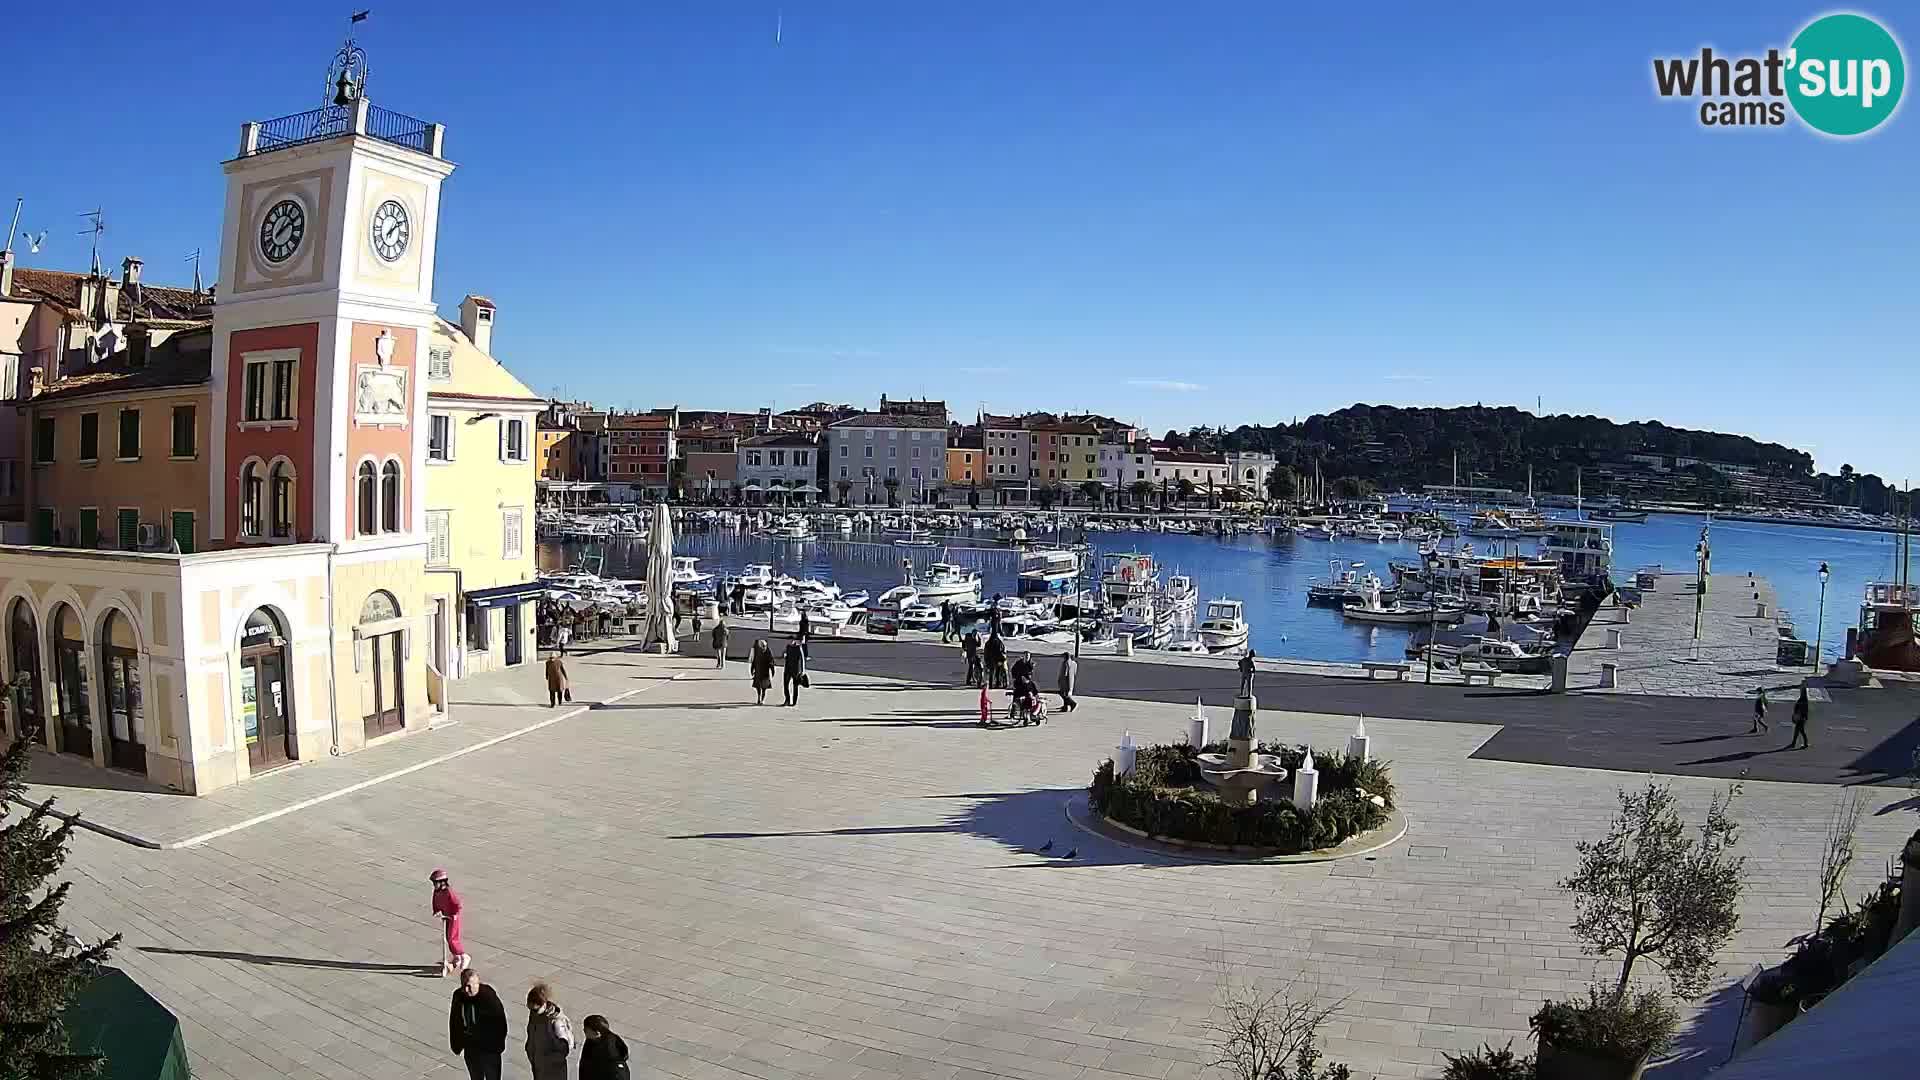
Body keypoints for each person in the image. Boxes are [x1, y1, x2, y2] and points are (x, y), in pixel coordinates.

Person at [448, 968, 508, 1080]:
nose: (466, 989)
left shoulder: (488, 997)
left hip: (489, 1049)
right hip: (470, 1047)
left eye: (469, 986)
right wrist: (456, 1044)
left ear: (477, 983)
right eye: (463, 985)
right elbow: (454, 1021)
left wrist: (496, 1047)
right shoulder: (458, 996)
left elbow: (500, 1023)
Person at [524, 982, 573, 1080]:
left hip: (552, 1070)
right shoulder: (535, 1015)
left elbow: (565, 1047)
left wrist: (549, 1060)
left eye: (533, 1008)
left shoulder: (556, 1021)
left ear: (541, 1004)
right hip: (538, 1065)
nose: (530, 1010)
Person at [430, 869, 470, 975]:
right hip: (446, 916)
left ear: (442, 882)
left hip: (453, 917)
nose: (434, 885)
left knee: (452, 938)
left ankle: (463, 955)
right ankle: (456, 956)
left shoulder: (448, 892)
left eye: (435, 883)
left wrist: (454, 914)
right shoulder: (437, 892)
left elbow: (457, 904)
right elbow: (435, 901)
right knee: (448, 938)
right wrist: (436, 911)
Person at [579, 1015, 632, 1080]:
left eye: (586, 1030)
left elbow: (620, 1074)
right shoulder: (591, 1040)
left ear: (597, 1033)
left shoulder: (610, 1051)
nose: (583, 1030)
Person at [750, 639, 775, 705]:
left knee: (764, 688)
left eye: (764, 646)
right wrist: (752, 669)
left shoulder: (768, 652)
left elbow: (771, 661)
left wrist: (772, 670)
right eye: (762, 646)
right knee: (758, 687)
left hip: (765, 673)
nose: (764, 647)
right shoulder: (758, 651)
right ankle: (758, 698)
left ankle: (762, 700)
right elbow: (754, 661)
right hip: (758, 672)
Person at [783, 637, 807, 706]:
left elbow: (802, 660)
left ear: (794, 641)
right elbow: (785, 656)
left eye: (790, 641)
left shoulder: (798, 648)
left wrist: (803, 671)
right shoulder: (788, 647)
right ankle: (787, 700)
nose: (789, 642)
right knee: (785, 685)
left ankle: (794, 702)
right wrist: (784, 656)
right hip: (787, 669)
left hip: (796, 670)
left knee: (795, 686)